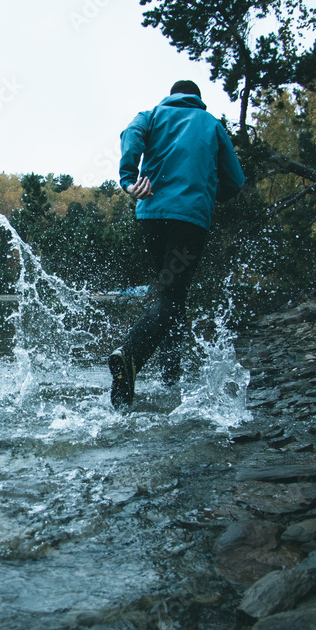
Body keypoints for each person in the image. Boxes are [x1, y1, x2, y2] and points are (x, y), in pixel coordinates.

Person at [109, 79, 245, 410]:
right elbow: (236, 181)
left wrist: (129, 179)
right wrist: (208, 195)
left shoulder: (152, 115)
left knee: (173, 295)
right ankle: (130, 355)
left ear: (172, 95)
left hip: (151, 215)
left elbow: (130, 134)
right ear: (197, 98)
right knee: (170, 295)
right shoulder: (211, 124)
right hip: (189, 220)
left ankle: (170, 377)